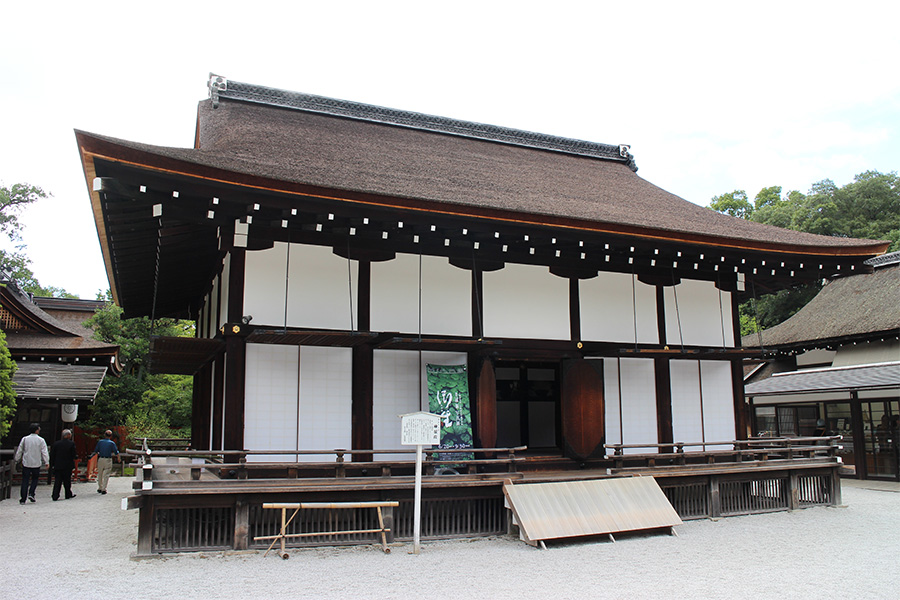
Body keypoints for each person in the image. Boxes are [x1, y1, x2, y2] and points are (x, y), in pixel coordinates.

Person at [14, 423, 49, 504]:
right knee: (35, 479)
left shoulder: (25, 439)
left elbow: (20, 450)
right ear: (37, 430)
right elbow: (44, 452)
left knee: (25, 480)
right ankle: (31, 493)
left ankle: (23, 498)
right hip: (36, 463)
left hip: (26, 462)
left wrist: (17, 459)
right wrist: (46, 462)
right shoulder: (41, 440)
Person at [50, 429, 78, 501]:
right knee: (67, 480)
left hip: (58, 464)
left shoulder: (56, 444)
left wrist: (52, 464)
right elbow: (73, 455)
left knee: (57, 481)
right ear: (68, 435)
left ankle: (55, 495)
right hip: (67, 465)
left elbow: (52, 455)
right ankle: (68, 494)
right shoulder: (71, 444)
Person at [89, 430, 119, 495]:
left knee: (100, 473)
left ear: (104, 435)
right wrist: (119, 458)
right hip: (108, 459)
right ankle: (104, 488)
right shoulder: (112, 443)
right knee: (106, 474)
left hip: (101, 458)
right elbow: (116, 452)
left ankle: (100, 487)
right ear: (110, 436)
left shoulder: (100, 442)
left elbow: (96, 451)